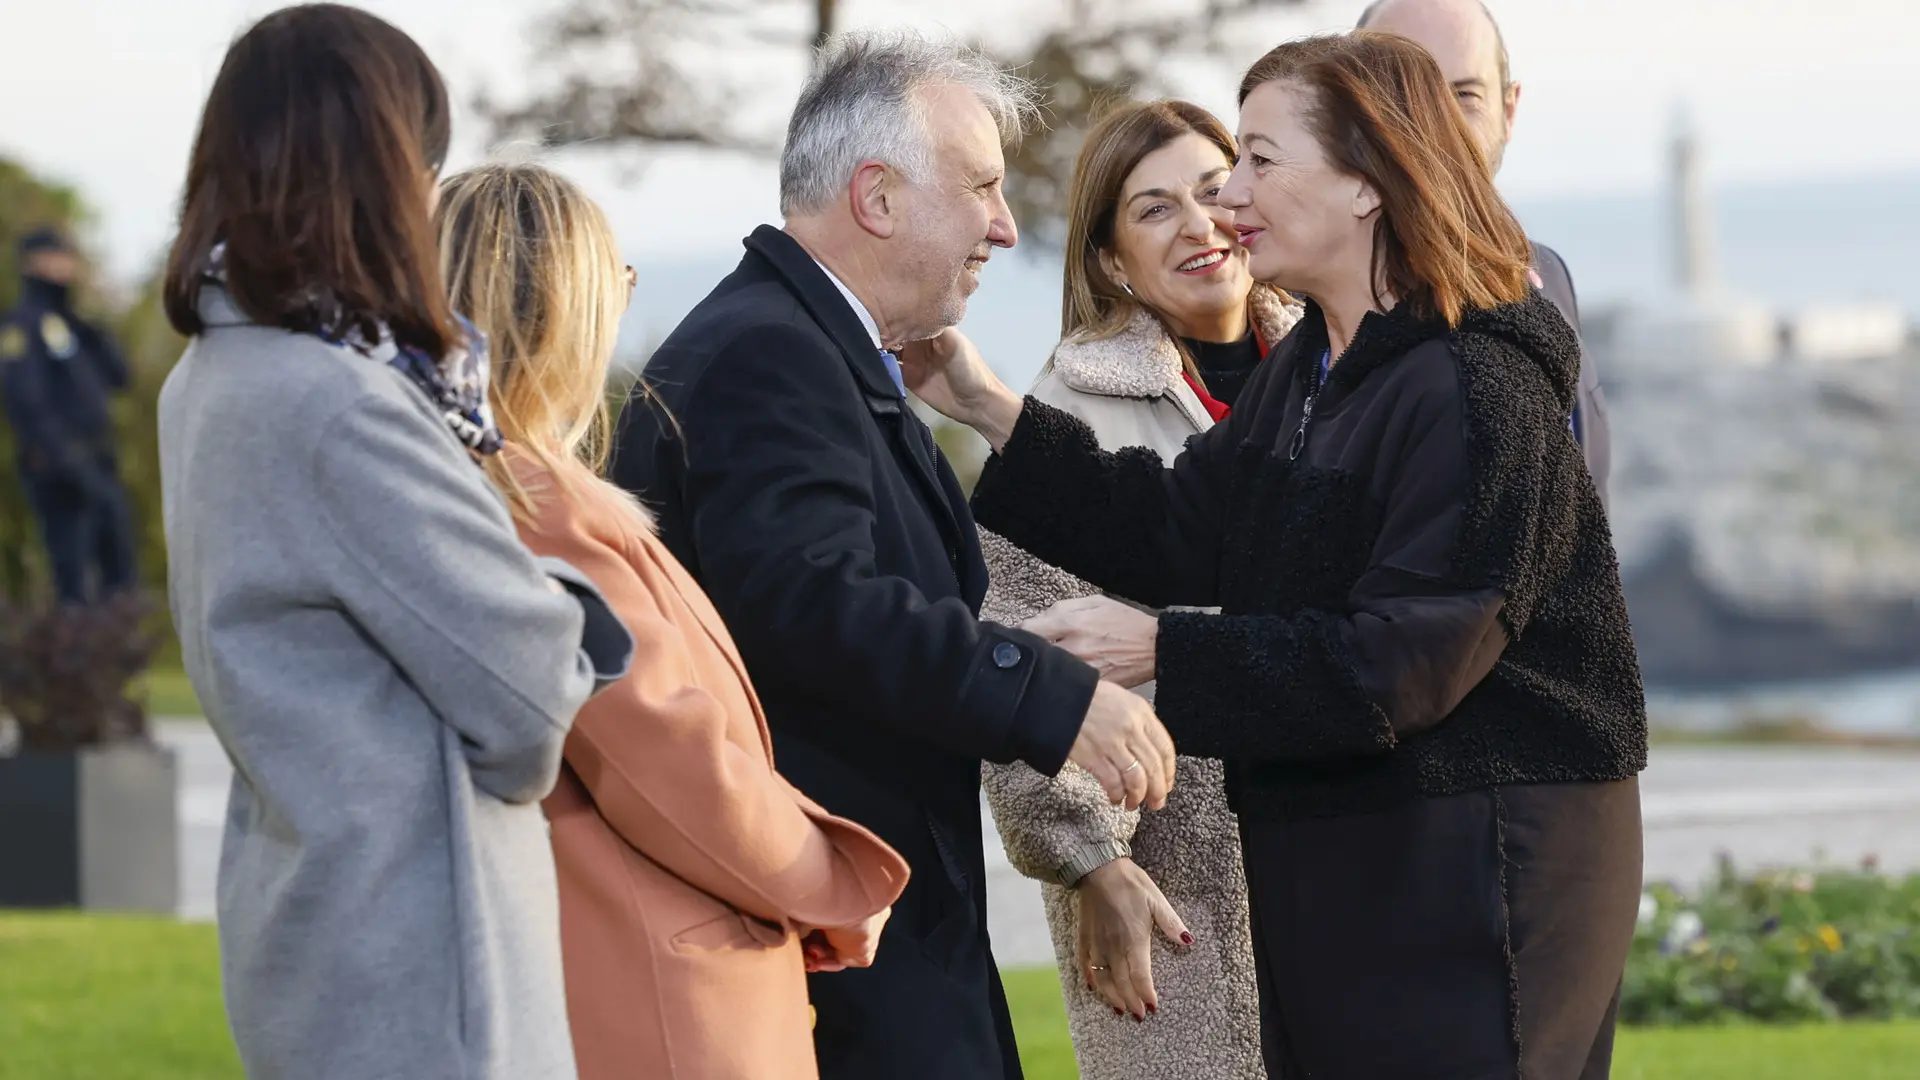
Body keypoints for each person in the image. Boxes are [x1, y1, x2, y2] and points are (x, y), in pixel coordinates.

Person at [904, 32, 1648, 1080]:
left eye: (1258, 159)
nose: (1228, 195)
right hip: (1344, 850)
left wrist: (1158, 646)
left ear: (1365, 182)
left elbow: (1408, 662)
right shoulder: (1315, 364)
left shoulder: (1477, 384)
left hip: (1479, 867)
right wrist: (985, 406)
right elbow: (1181, 526)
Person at [611, 29, 1177, 1080]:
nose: (1006, 227)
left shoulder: (810, 347)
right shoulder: (772, 356)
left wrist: (1008, 641)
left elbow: (853, 596)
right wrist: (1048, 694)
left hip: (867, 936)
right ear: (876, 198)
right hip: (836, 956)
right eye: (982, 189)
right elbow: (812, 602)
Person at [155, 8, 631, 1078]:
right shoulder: (341, 402)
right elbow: (526, 702)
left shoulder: (211, 380)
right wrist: (566, 602)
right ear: (381, 170)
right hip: (421, 965)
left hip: (314, 926)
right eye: (424, 161)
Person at [434, 162, 911, 1080]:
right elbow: (663, 759)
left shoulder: (494, 498)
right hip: (663, 999)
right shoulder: (541, 508)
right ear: (564, 306)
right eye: (617, 279)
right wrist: (832, 880)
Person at [977, 99, 1298, 1079]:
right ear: (1112, 260)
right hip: (1170, 880)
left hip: (1340, 851)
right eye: (1155, 210)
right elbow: (1024, 654)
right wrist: (1091, 861)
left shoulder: (1341, 376)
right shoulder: (1062, 417)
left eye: (1213, 191)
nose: (1200, 224)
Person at [1358, 0, 1612, 508]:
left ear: (1509, 110)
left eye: (1464, 94)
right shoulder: (1305, 302)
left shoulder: (1549, 275)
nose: (1437, 123)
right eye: (1400, 94)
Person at [0, 226, 137, 603]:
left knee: (119, 569)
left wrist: (93, 316)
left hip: (99, 460)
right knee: (73, 575)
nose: (67, 266)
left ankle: (119, 651)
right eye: (58, 257)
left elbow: (120, 376)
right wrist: (63, 459)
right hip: (59, 467)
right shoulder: (22, 326)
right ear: (33, 263)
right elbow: (26, 401)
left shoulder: (75, 323)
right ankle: (76, 655)